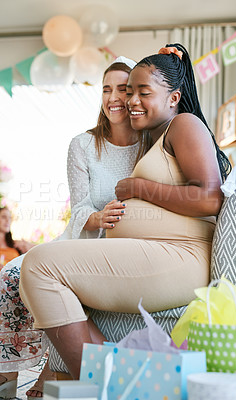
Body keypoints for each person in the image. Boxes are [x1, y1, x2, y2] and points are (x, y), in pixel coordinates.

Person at [19, 43, 231, 380]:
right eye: (128, 91)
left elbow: (210, 198)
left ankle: (104, 385)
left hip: (181, 257)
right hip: (163, 255)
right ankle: (122, 379)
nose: (131, 100)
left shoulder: (185, 124)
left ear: (174, 98)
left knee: (39, 266)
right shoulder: (157, 135)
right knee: (42, 269)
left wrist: (135, 188)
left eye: (142, 92)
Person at [0, 57, 149, 399]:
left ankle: (48, 372)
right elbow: (80, 207)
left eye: (123, 89)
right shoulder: (82, 145)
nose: (113, 97)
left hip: (121, 246)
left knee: (63, 288)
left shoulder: (149, 145)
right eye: (106, 89)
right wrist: (100, 217)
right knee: (11, 274)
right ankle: (7, 378)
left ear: (137, 96)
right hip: (79, 239)